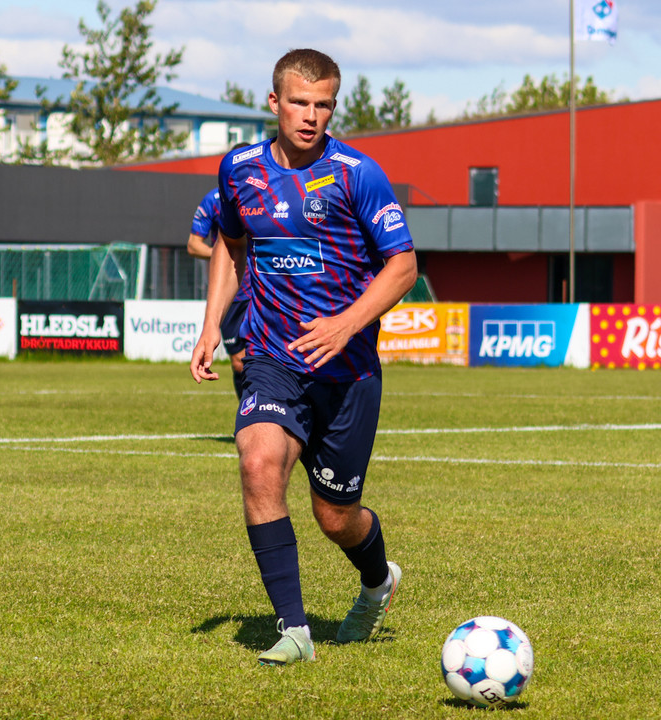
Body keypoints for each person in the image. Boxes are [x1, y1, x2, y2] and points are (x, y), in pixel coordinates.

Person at [189, 48, 417, 666]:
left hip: (348, 371)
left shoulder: (356, 174)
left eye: (323, 105)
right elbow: (230, 243)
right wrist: (211, 325)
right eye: (299, 102)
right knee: (258, 462)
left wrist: (346, 324)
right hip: (272, 356)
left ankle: (378, 581)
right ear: (275, 102)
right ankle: (295, 631)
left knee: (335, 517)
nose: (311, 116)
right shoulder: (239, 169)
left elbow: (403, 265)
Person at [187, 144, 250, 398]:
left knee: (267, 358)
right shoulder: (215, 200)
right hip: (232, 295)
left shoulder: (268, 197)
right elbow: (193, 245)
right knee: (239, 362)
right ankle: (247, 411)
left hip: (262, 290)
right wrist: (224, 256)